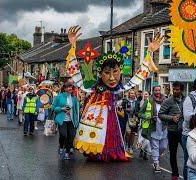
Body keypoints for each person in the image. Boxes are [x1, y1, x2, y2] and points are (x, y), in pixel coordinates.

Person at [66, 25, 163, 162]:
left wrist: (150, 51)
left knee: (111, 132)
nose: (112, 78)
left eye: (115, 72)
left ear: (120, 72)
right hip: (96, 115)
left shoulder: (119, 88)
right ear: (100, 74)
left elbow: (138, 76)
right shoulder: (94, 88)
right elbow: (75, 73)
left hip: (111, 116)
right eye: (107, 73)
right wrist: (73, 47)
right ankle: (95, 152)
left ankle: (110, 152)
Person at [158, 81, 185, 180]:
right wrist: (172, 118)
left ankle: (187, 173)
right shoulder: (168, 101)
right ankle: (175, 174)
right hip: (172, 131)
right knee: (173, 153)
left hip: (184, 131)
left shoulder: (186, 100)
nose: (175, 91)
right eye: (174, 89)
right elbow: (160, 114)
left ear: (181, 90)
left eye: (177, 89)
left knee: (187, 152)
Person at [139, 86, 167, 173]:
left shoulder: (165, 101)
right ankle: (156, 163)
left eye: (159, 90)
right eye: (156, 90)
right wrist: (148, 116)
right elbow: (140, 113)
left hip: (163, 127)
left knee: (163, 146)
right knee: (155, 146)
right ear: (153, 91)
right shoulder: (148, 101)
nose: (158, 92)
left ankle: (155, 157)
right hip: (153, 126)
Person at [52, 82, 79, 160]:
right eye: (68, 87)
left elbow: (76, 109)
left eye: (71, 87)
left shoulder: (74, 98)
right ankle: (61, 146)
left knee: (71, 136)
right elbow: (53, 107)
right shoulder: (59, 97)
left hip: (72, 120)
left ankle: (67, 152)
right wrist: (61, 109)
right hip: (62, 120)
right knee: (63, 135)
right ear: (64, 88)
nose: (70, 88)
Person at [123, 89, 139, 154]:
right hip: (127, 119)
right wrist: (126, 110)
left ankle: (130, 147)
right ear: (129, 94)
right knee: (128, 132)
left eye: (133, 93)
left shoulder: (137, 102)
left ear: (135, 94)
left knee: (133, 134)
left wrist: (136, 114)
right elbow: (121, 108)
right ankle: (126, 145)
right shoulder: (125, 101)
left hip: (134, 119)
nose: (132, 94)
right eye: (131, 93)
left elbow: (139, 110)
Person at [137, 91, 151, 160]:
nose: (145, 95)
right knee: (141, 138)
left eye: (146, 94)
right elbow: (137, 112)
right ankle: (141, 150)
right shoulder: (140, 102)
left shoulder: (151, 103)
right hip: (141, 122)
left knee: (147, 139)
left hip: (149, 123)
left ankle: (145, 153)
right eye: (144, 94)